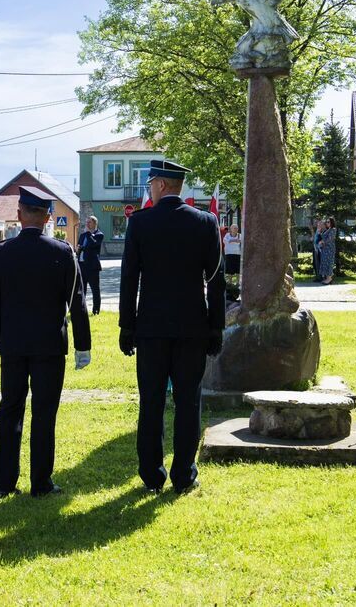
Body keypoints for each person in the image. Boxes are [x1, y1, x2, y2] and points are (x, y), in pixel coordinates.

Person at [119, 160, 226, 494]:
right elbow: (216, 281)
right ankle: (183, 475)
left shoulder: (140, 224)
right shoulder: (205, 223)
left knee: (151, 402)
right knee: (188, 403)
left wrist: (127, 326)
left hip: (150, 329)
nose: (149, 188)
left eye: (151, 183)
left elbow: (129, 279)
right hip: (193, 328)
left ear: (162, 185)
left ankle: (152, 476)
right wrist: (216, 327)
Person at [0, 187, 92, 498]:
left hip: (13, 344)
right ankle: (41, 483)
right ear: (48, 218)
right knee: (44, 414)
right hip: (49, 346)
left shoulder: (2, 252)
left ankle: (3, 483)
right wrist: (82, 346)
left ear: (18, 215)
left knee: (9, 409)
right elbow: (77, 301)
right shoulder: (62, 252)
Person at [76, 215, 104, 315]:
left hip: (92, 267)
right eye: (86, 222)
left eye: (89, 222)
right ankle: (81, 310)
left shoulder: (99, 234)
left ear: (95, 224)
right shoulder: (83, 235)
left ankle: (96, 310)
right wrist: (78, 250)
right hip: (82, 265)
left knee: (95, 290)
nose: (87, 224)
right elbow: (79, 247)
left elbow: (93, 244)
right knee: (81, 290)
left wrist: (88, 233)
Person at [318, 217, 337, 285]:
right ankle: (327, 278)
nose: (327, 223)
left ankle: (329, 278)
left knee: (329, 263)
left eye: (328, 222)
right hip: (324, 249)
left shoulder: (333, 229)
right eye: (326, 222)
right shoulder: (327, 229)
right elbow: (323, 237)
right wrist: (320, 233)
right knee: (325, 262)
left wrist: (322, 242)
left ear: (332, 222)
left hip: (330, 249)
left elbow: (330, 239)